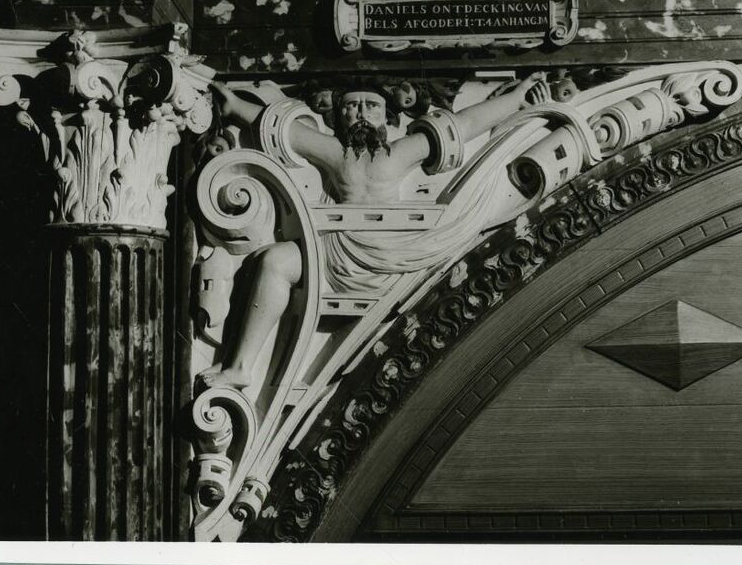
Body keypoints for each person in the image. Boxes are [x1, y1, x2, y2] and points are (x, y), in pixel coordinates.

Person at [200, 75, 546, 389]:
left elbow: (464, 125)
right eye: (352, 106)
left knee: (276, 260)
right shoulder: (337, 153)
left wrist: (516, 99)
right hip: (334, 256)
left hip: (389, 260)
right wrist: (235, 106)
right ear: (340, 115)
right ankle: (240, 367)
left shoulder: (400, 152)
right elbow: (284, 130)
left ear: (386, 116)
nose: (362, 113)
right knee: (274, 261)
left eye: (372, 106)